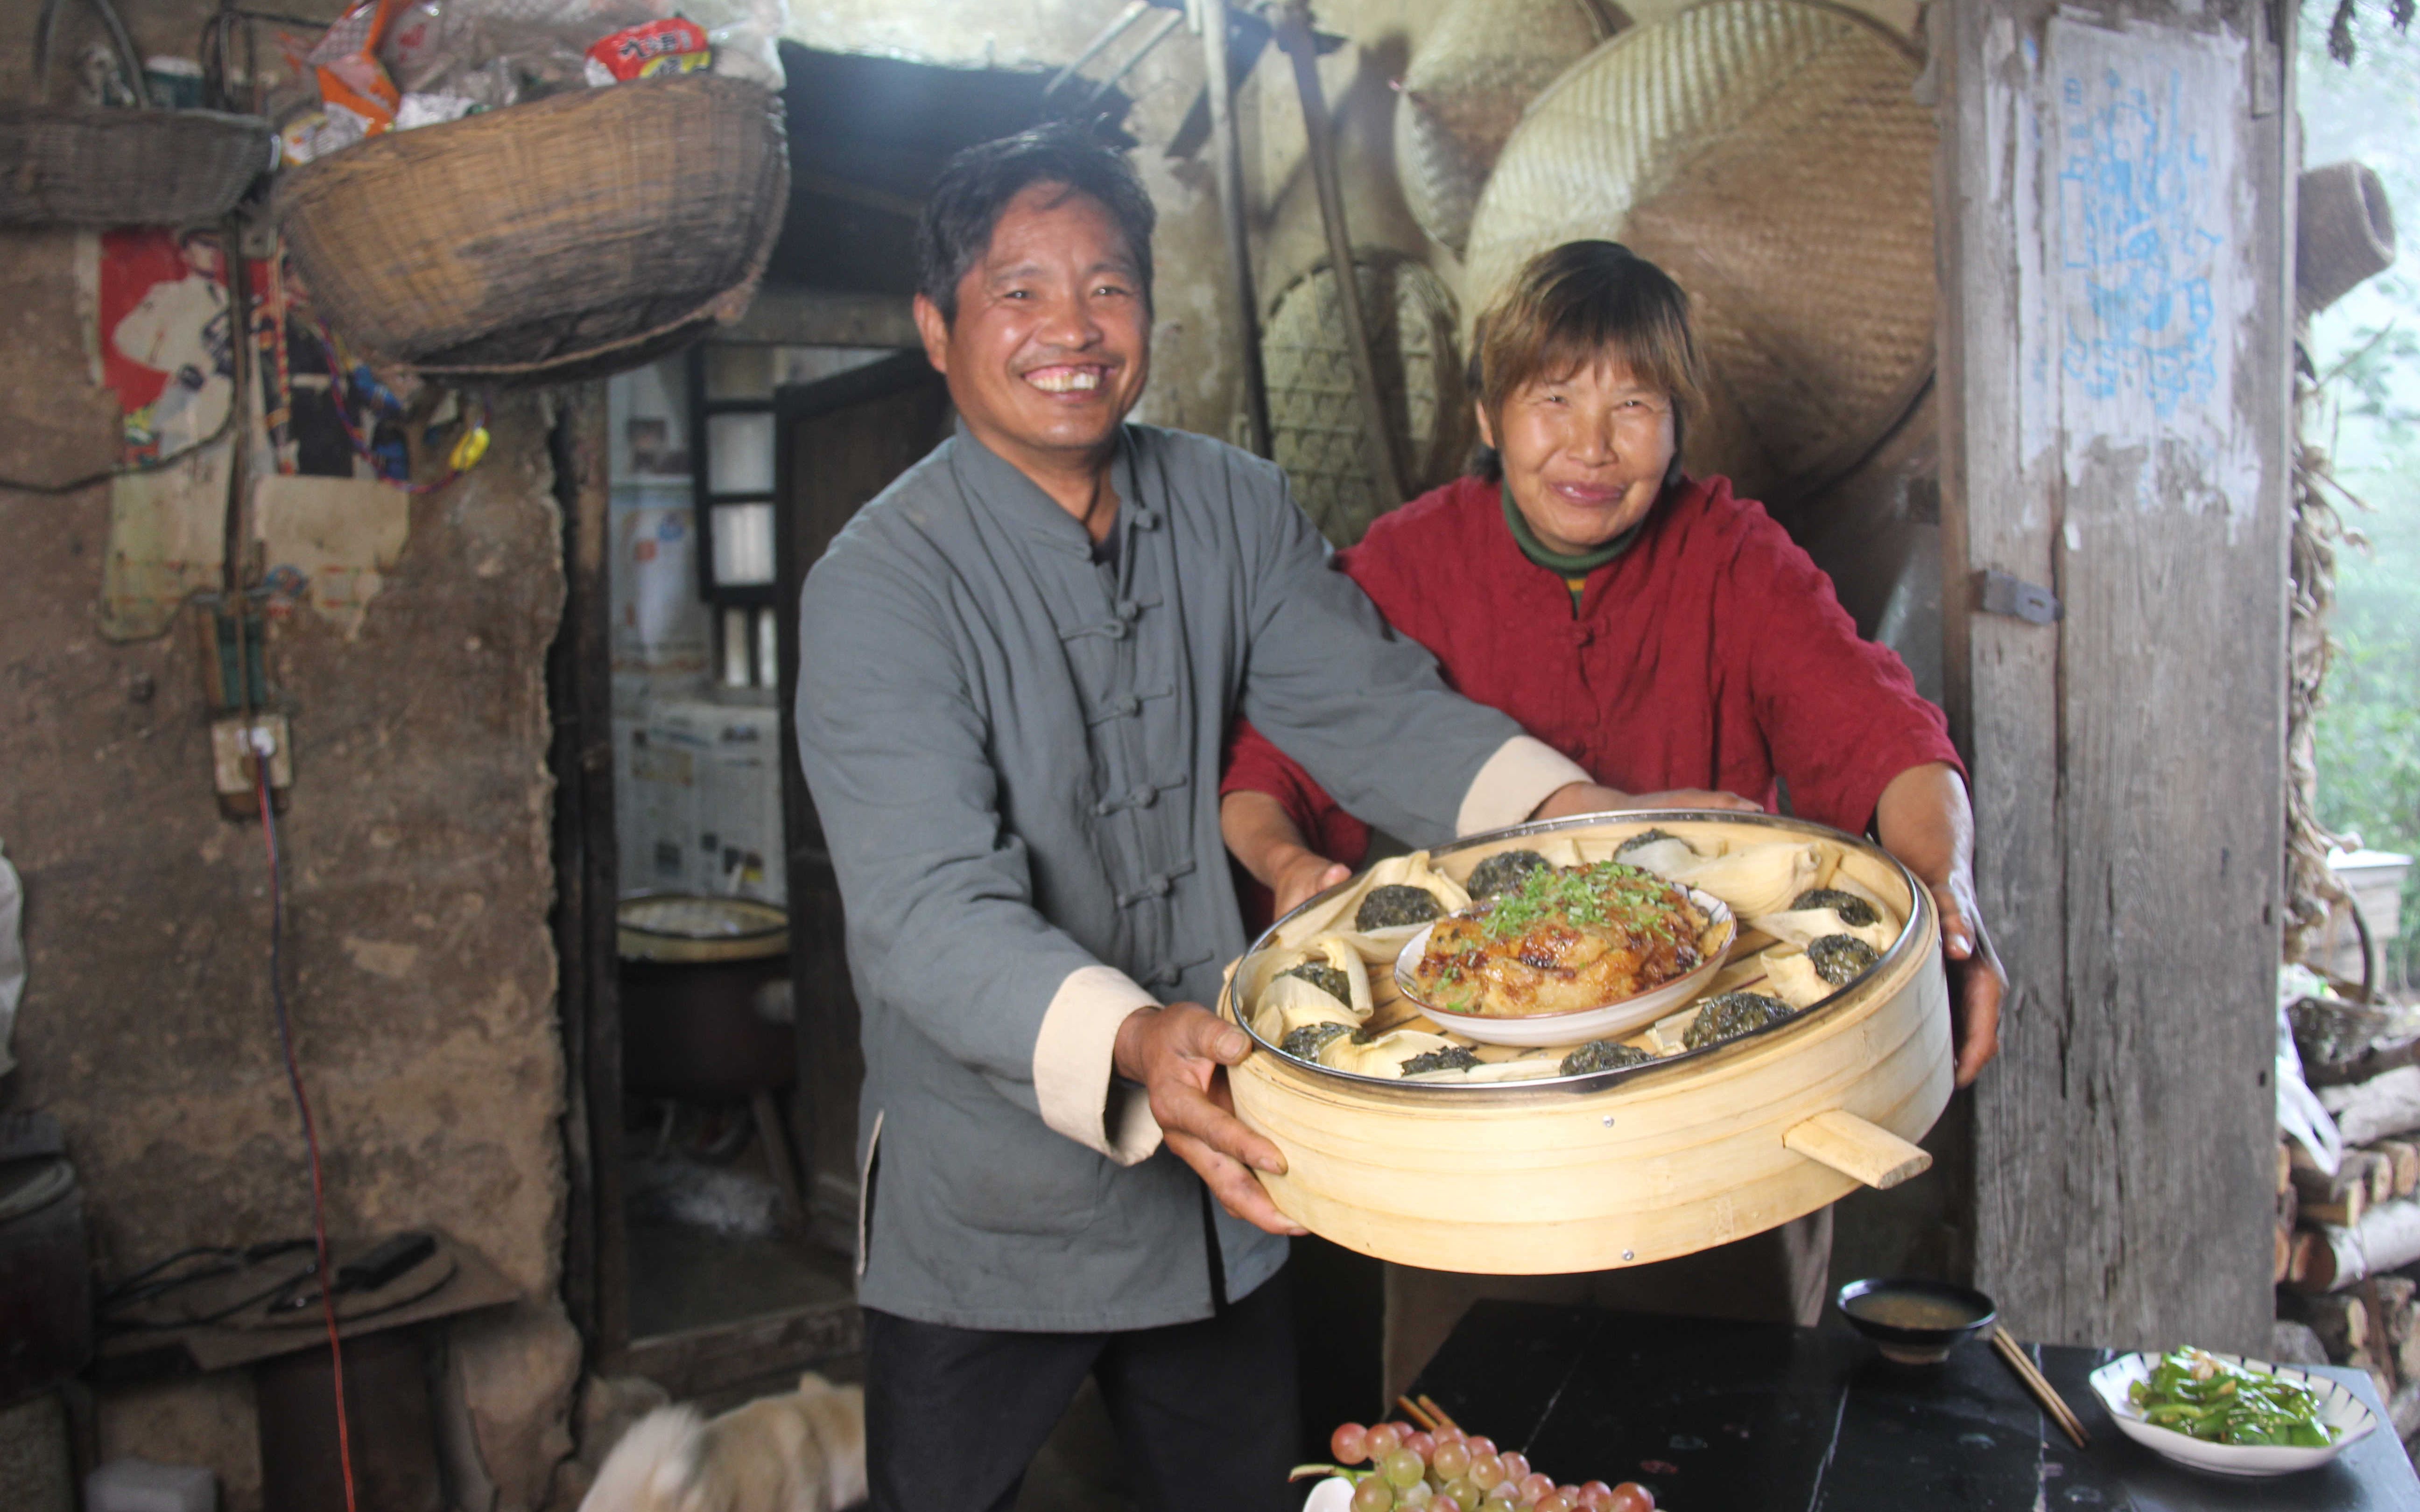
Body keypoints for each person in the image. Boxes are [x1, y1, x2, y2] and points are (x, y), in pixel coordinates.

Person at [794, 126, 1645, 1512]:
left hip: (1224, 1178)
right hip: (984, 1204)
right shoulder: (880, 584)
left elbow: (1370, 706)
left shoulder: (1232, 503)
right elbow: (925, 910)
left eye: (1110, 286)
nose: (1073, 328)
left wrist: (1574, 811)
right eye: (1021, 292)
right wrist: (1131, 1036)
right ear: (936, 328)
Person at [1219, 240, 2009, 1388]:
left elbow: (1889, 740)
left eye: (1633, 405)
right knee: (1468, 1447)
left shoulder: (1735, 558)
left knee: (1730, 1440)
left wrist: (1950, 899)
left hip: (1731, 1110)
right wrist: (1289, 864)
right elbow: (1264, 770)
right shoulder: (1406, 564)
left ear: (1679, 425)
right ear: (1488, 414)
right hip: (1477, 1129)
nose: (1592, 447)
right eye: (1553, 400)